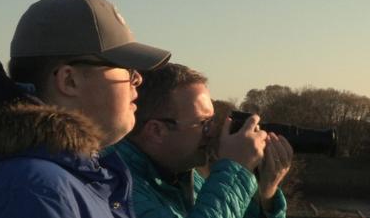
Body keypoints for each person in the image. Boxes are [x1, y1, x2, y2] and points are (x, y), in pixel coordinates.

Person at [0, 0, 170, 218]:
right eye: (126, 67)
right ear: (69, 80)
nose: (137, 79)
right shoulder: (33, 188)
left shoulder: (61, 178)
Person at [106, 63, 293, 218]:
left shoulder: (182, 177)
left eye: (212, 121)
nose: (212, 132)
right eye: (203, 123)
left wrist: (265, 194)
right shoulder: (117, 189)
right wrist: (236, 170)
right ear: (156, 131)